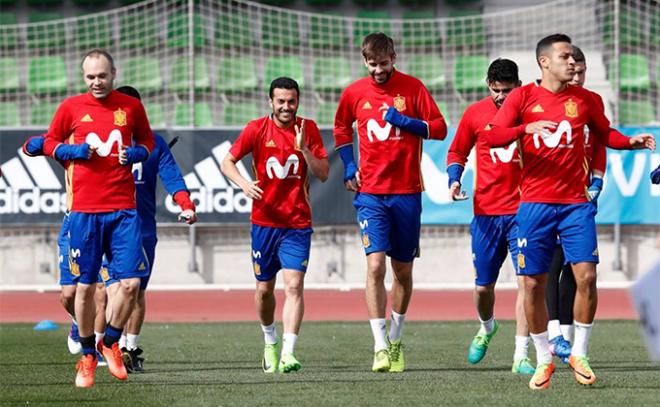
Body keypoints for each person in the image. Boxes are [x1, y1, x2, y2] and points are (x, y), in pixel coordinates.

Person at [487, 34, 655, 390]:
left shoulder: (587, 99)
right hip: (534, 205)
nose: (573, 63)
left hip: (576, 204)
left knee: (588, 277)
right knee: (533, 284)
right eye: (565, 57)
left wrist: (630, 142)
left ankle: (579, 351)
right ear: (544, 62)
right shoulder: (522, 97)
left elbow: (606, 134)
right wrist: (524, 128)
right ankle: (544, 358)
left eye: (574, 58)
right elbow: (494, 136)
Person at [333, 32, 447, 372]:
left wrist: (404, 121)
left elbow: (440, 128)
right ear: (364, 60)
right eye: (372, 64)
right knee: (374, 266)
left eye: (384, 63)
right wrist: (350, 164)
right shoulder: (354, 92)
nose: (378, 69)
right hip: (370, 194)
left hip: (407, 192)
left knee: (403, 271)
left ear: (394, 57)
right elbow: (341, 128)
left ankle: (396, 339)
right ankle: (380, 345)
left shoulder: (412, 88)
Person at [41, 49, 155, 388]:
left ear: (113, 73)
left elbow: (148, 140)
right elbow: (49, 142)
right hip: (83, 213)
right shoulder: (71, 107)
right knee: (85, 287)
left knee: (132, 284)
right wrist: (70, 151)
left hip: (123, 210)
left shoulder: (130, 107)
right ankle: (88, 355)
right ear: (83, 76)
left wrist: (136, 153)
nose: (96, 82)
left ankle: (111, 341)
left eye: (102, 76)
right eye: (90, 77)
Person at [221, 77, 329, 373]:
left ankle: (289, 353)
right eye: (280, 101)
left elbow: (323, 173)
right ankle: (270, 342)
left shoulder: (308, 129)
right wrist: (244, 183)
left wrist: (305, 149)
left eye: (291, 101)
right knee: (264, 289)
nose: (286, 106)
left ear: (298, 101)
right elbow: (226, 162)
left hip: (297, 224)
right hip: (264, 223)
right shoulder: (256, 129)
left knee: (294, 285)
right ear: (271, 102)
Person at [446, 58, 535, 375]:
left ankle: (521, 355)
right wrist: (454, 179)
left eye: (507, 90)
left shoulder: (532, 113)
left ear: (518, 87)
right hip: (485, 213)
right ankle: (487, 327)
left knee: (527, 283)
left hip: (524, 212)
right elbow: (457, 151)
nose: (500, 96)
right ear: (488, 85)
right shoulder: (475, 114)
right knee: (484, 288)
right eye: (495, 90)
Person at [109, 85, 197, 373]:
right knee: (107, 289)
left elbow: (172, 177)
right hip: (106, 224)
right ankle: (103, 343)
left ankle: (129, 347)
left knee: (135, 291)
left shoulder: (154, 143)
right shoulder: (101, 139)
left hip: (142, 228)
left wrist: (185, 203)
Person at [544, 45, 607, 364]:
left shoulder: (591, 102)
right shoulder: (543, 99)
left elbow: (599, 146)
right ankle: (552, 333)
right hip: (547, 198)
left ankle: (567, 340)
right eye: (574, 69)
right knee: (550, 264)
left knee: (578, 269)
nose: (577, 75)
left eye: (582, 71)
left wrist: (597, 180)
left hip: (579, 200)